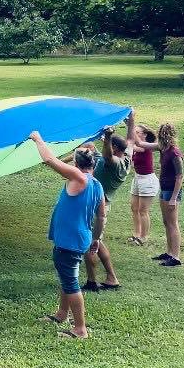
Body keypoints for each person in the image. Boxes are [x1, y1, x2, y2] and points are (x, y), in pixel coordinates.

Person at [32, 131, 105, 340]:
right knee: (67, 277)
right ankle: (62, 314)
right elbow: (101, 217)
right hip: (81, 238)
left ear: (76, 163)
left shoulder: (78, 178)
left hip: (70, 241)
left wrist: (37, 139)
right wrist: (96, 239)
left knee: (71, 281)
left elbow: (48, 159)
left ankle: (80, 329)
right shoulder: (96, 184)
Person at [80, 115, 134, 292]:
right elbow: (131, 140)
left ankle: (91, 281)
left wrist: (109, 136)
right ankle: (111, 277)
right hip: (101, 205)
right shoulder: (127, 156)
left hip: (98, 207)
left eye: (110, 144)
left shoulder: (117, 164)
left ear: (115, 148)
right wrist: (131, 119)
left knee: (91, 242)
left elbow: (108, 156)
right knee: (98, 241)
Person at [153, 123, 184, 267]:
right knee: (166, 222)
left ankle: (175, 256)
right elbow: (141, 144)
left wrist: (173, 198)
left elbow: (180, 177)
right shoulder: (163, 149)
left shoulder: (174, 153)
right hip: (164, 190)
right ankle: (169, 252)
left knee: (173, 223)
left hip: (171, 192)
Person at [128, 121, 160, 245]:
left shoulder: (146, 147)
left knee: (143, 210)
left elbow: (133, 145)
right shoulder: (138, 147)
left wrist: (129, 125)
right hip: (138, 179)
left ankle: (143, 237)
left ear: (145, 135)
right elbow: (129, 147)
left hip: (148, 181)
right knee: (134, 208)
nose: (135, 134)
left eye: (137, 132)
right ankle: (137, 234)